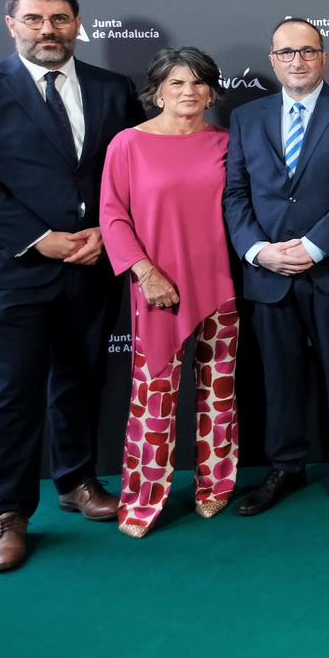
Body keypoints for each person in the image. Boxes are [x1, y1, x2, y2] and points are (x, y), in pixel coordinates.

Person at [0, 0, 138, 572]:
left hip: (90, 264)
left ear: (77, 23)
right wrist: (37, 238)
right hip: (8, 269)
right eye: (35, 19)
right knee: (8, 394)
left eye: (61, 18)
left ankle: (76, 483)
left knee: (80, 381)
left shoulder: (111, 87)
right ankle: (10, 512)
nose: (48, 29)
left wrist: (105, 229)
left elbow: (124, 171)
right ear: (12, 24)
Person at [225, 18, 329, 515]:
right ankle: (285, 467)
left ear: (322, 56)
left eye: (308, 52)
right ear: (273, 60)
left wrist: (314, 246)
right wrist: (259, 251)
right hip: (268, 272)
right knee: (279, 375)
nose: (298, 61)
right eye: (287, 53)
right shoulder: (247, 117)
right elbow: (235, 194)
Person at [99, 47, 238, 537]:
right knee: (152, 397)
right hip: (157, 288)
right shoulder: (127, 145)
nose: (189, 92)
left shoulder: (226, 142)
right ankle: (143, 498)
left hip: (222, 287)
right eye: (177, 83)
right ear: (157, 89)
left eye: (199, 83)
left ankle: (216, 486)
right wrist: (145, 273)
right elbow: (112, 216)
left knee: (219, 394)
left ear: (212, 91)